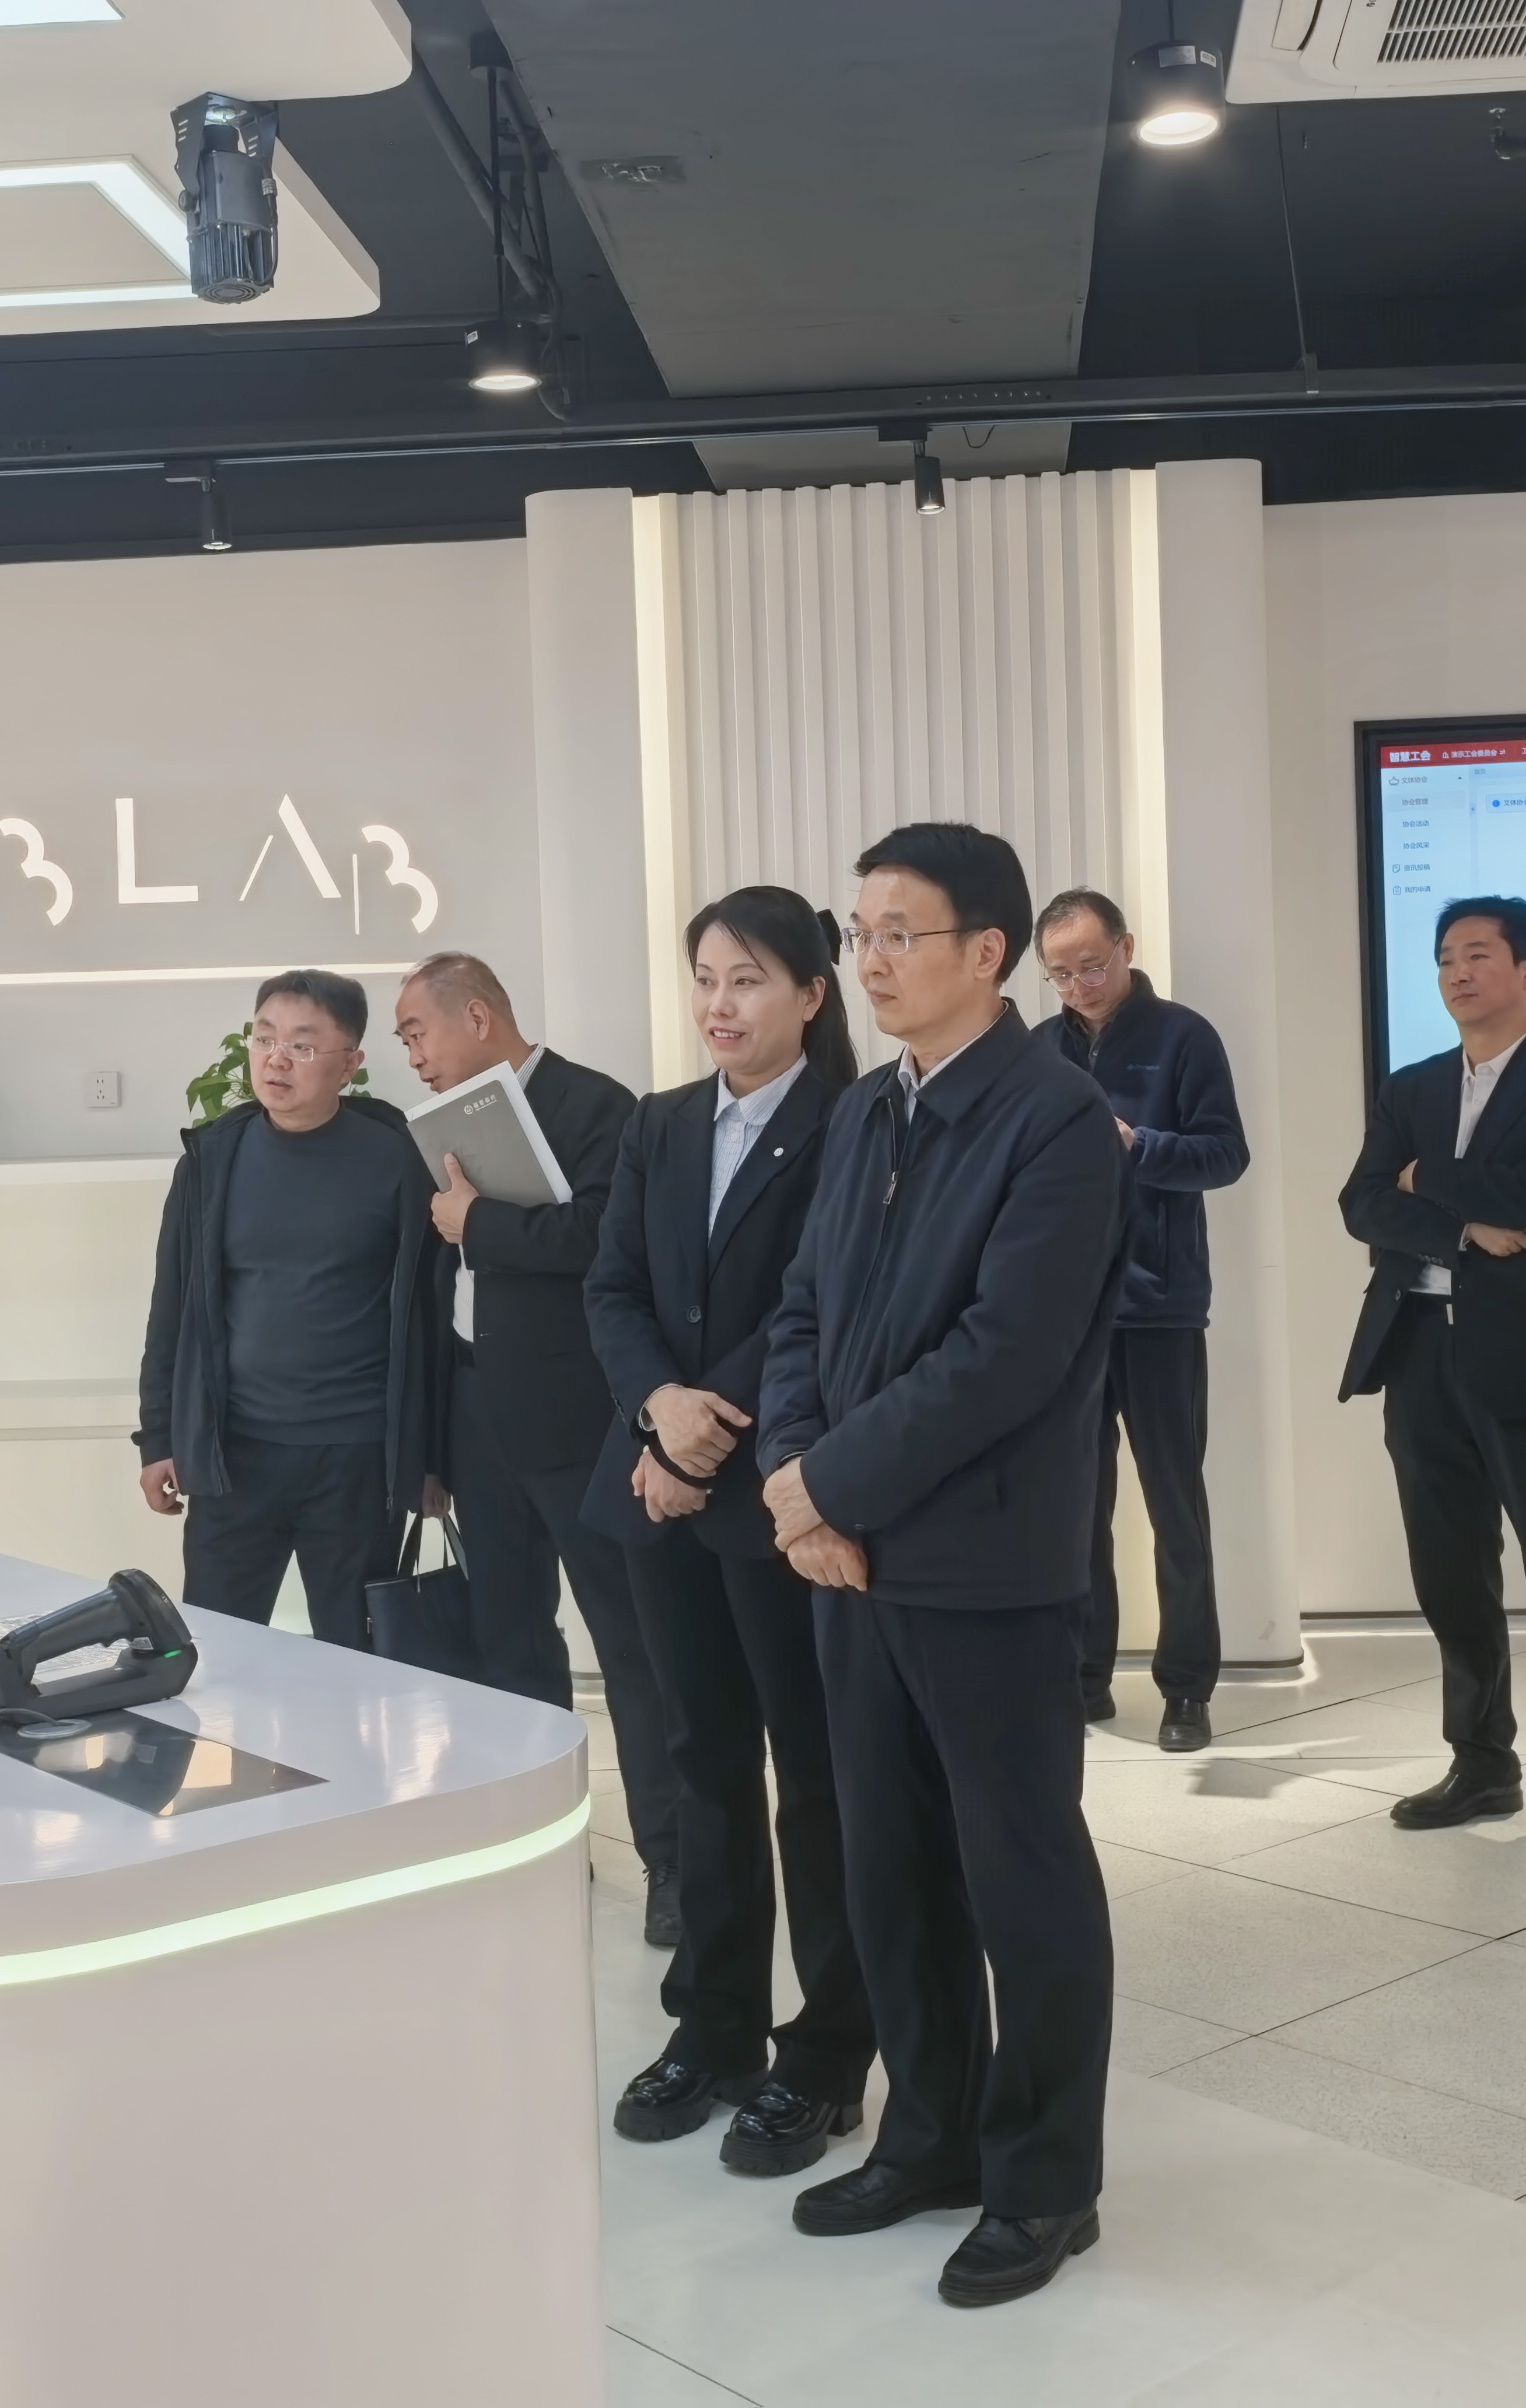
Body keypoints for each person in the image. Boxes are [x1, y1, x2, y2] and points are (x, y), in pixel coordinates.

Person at [758, 820, 1124, 2311]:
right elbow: (800, 1308)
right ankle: (930, 2136)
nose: (871, 960)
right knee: (889, 1866)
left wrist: (824, 1483)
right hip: (848, 1560)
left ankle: (1044, 2178)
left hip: (986, 1563)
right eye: (859, 933)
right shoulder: (866, 1110)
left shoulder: (1057, 1120)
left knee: (1017, 1875)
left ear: (988, 951)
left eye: (897, 933)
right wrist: (800, 1485)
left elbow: (1003, 1357)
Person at [585, 888, 871, 2177]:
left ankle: (828, 2049)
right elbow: (612, 1288)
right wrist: (658, 1411)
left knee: (815, 1778)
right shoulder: (658, 1123)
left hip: (778, 1498)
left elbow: (823, 1301)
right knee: (699, 1763)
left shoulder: (851, 1123)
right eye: (705, 977)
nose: (719, 1003)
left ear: (810, 994)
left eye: (747, 979)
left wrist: (703, 1430)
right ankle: (712, 2026)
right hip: (662, 1491)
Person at [394, 951, 684, 1947]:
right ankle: (539, 1839)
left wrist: (479, 1222)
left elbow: (607, 1240)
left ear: (477, 1016)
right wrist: (431, 1439)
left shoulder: (596, 1106)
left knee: (631, 1651)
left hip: (584, 1424)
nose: (412, 1055)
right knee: (509, 1641)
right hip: (482, 1419)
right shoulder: (442, 1129)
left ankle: (673, 1862)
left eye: (418, 1031)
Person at [1335, 896, 1526, 1862]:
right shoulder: (1411, 1085)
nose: (1456, 973)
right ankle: (1481, 1761)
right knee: (1449, 1572)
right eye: (1444, 959)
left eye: (1477, 955)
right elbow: (1359, 1203)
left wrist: (1424, 1180)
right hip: (1418, 1349)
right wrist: (1461, 1225)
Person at [135, 971, 447, 1645]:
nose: (276, 1059)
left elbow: (431, 1311)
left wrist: (429, 1456)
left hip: (357, 1457)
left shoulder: (400, 1159)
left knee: (355, 1656)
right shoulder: (212, 1161)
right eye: (264, 1039)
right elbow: (172, 1308)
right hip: (234, 1456)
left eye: (302, 1046)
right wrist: (158, 1439)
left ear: (350, 1065)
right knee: (219, 1650)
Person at [1038, 887, 1249, 1753]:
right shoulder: (1040, 1048)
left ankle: (1187, 1689)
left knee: (1175, 1506)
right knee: (1075, 1507)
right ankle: (1085, 1678)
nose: (1079, 987)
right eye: (1060, 974)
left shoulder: (1184, 1037)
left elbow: (1226, 1154)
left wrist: (1139, 1146)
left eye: (1091, 966)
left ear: (1126, 948)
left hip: (1161, 1307)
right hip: (1065, 1316)